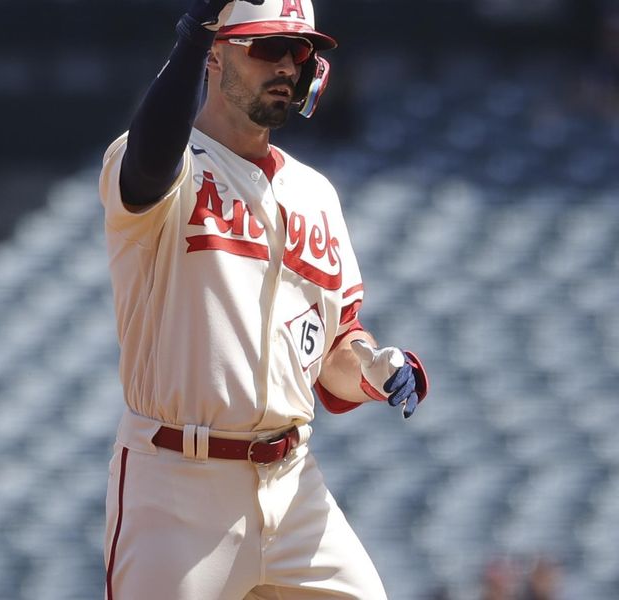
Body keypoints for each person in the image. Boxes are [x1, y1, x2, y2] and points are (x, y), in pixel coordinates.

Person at [98, 1, 429, 598]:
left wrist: (374, 366)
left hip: (295, 480)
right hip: (179, 484)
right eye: (266, 47)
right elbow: (149, 168)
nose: (286, 64)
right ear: (216, 54)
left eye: (298, 50)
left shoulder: (315, 193)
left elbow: (336, 349)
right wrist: (190, 35)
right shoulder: (166, 162)